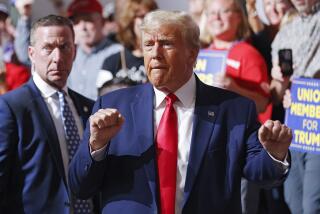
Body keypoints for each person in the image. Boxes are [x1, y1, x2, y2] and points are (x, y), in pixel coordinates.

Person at [69, 10, 292, 214]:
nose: (155, 53)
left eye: (166, 44)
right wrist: (96, 147)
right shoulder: (112, 106)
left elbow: (260, 173)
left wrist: (275, 154)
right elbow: (80, 186)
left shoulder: (233, 109)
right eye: (148, 44)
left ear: (192, 54)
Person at [0, 15, 97, 213]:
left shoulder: (89, 107)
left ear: (75, 52)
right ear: (31, 54)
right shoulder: (12, 107)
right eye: (48, 48)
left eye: (64, 47)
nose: (57, 57)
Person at [270, 0, 320, 213]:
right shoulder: (285, 34)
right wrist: (280, 82)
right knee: (292, 201)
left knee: (311, 205)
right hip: (295, 126)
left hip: (317, 129)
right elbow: (276, 93)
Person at [98, 0, 158, 93]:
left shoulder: (161, 58)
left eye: (151, 16)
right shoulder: (111, 62)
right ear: (130, 22)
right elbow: (102, 99)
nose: (148, 21)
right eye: (142, 16)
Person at [67, 0, 122, 100]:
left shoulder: (118, 53)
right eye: (76, 22)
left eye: (88, 20)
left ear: (102, 22)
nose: (83, 27)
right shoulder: (68, 54)